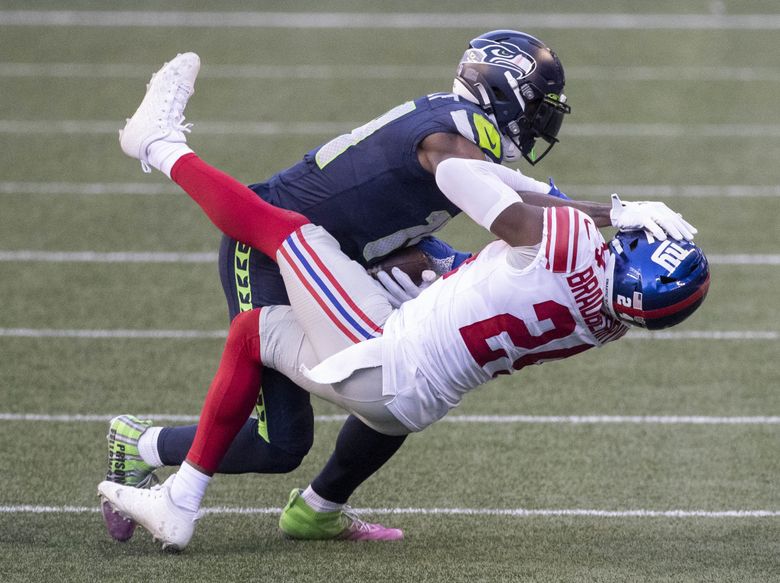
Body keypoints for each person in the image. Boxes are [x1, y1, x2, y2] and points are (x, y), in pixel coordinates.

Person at [97, 52, 709, 551]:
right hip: (405, 383)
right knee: (272, 401)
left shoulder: (551, 227)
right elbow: (508, 247)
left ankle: (158, 147)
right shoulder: (607, 324)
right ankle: (278, 502)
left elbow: (495, 196)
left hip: (366, 318)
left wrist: (617, 211)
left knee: (277, 413)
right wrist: (448, 265)